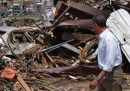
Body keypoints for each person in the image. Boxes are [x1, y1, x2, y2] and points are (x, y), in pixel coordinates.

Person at [89, 13, 124, 91]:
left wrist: (97, 79)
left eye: (93, 25)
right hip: (105, 74)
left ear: (96, 25)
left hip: (112, 76)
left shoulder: (109, 38)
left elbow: (109, 63)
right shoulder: (103, 37)